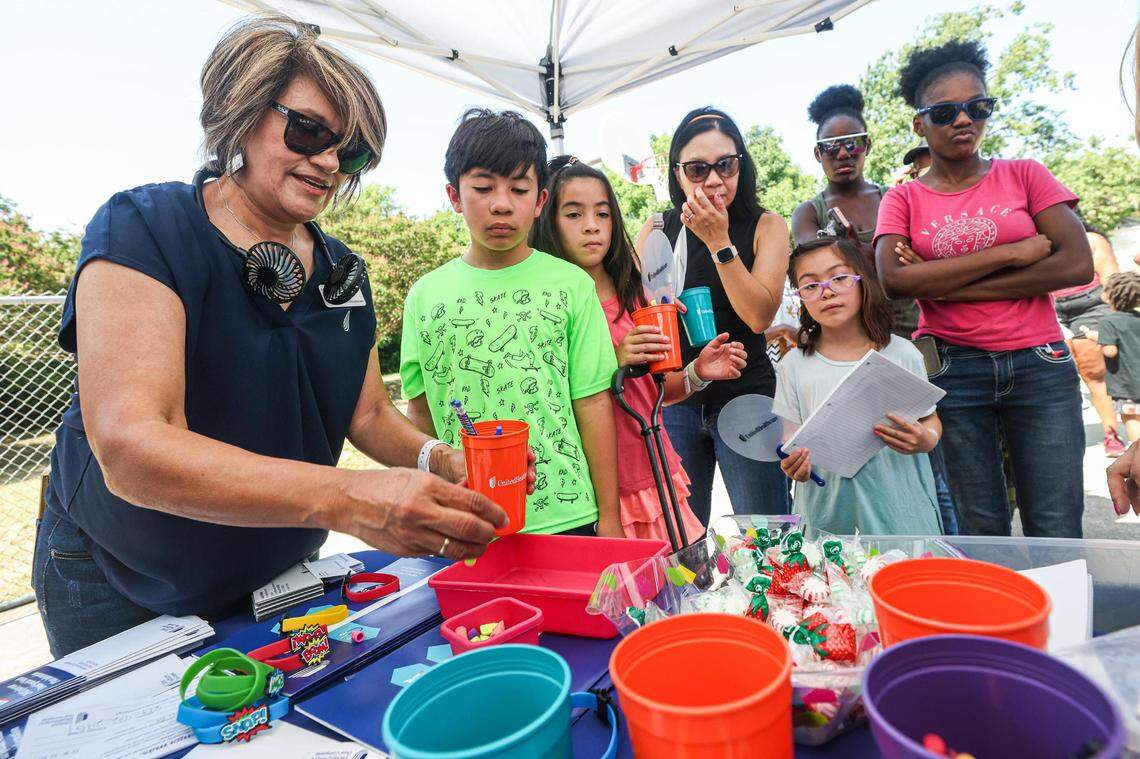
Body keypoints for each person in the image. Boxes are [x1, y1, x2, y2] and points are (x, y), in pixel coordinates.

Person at [33, 17, 523, 657]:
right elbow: (132, 442)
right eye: (309, 130)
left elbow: (369, 412)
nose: (326, 161)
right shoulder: (144, 227)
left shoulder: (344, 271)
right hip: (122, 582)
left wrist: (440, 461)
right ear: (240, 108)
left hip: (275, 579)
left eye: (348, 153)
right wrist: (346, 500)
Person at [874, 40, 1094, 538]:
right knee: (980, 526)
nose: (963, 120)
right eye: (945, 111)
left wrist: (945, 284)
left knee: (1056, 522)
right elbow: (895, 280)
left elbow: (1077, 264)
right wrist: (1015, 252)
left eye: (978, 107)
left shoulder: (1025, 174)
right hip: (956, 367)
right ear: (919, 124)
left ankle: (1057, 619)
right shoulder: (903, 198)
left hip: (1041, 363)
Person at [400, 110, 621, 538]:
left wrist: (608, 518)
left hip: (567, 518)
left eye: (519, 189)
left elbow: (593, 404)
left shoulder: (571, 286)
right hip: (463, 521)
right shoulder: (425, 296)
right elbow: (420, 411)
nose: (501, 203)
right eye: (483, 188)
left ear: (540, 201)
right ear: (453, 195)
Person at [531, 156, 748, 542]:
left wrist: (699, 371)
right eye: (574, 214)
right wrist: (612, 363)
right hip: (599, 495)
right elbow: (548, 403)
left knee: (678, 594)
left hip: (655, 475)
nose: (592, 226)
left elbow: (659, 392)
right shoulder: (546, 305)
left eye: (602, 213)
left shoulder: (636, 297)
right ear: (547, 221)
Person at [638, 107, 791, 524]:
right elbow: (637, 313)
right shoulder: (656, 230)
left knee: (767, 534)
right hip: (678, 401)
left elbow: (759, 316)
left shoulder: (767, 225)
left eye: (725, 164)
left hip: (748, 399)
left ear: (741, 164)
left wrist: (719, 241)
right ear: (677, 172)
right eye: (697, 168)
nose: (713, 179)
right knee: (681, 539)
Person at [774, 237, 943, 535]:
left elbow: (929, 419)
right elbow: (791, 440)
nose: (826, 292)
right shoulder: (793, 365)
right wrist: (793, 464)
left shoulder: (902, 353)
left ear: (863, 281)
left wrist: (925, 439)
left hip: (900, 512)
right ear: (800, 297)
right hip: (827, 516)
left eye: (839, 278)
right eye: (810, 286)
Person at [791, 84, 920, 339]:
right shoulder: (807, 213)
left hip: (915, 335)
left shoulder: (896, 198)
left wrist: (854, 258)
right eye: (830, 146)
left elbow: (921, 267)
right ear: (818, 153)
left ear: (868, 145)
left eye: (852, 144)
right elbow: (818, 273)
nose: (842, 154)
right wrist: (875, 259)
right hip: (852, 341)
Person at [1054, 219, 1125, 456]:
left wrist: (1118, 328)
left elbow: (1113, 285)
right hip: (1049, 309)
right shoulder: (1033, 245)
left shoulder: (1092, 242)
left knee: (1094, 372)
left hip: (1091, 308)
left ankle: (1111, 433)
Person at [1095, 272, 1140, 445]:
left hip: (1125, 385)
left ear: (1111, 296)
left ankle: (1137, 455)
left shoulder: (1108, 322)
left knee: (1132, 418)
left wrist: (1100, 341)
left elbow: (1110, 351)